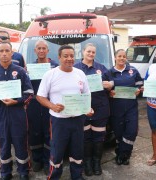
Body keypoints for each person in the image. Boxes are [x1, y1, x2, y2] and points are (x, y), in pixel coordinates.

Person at [36, 45, 92, 180]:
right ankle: (54, 176)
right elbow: (40, 96)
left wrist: (88, 109)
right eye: (65, 56)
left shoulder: (80, 73)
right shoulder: (51, 74)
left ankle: (77, 176)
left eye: (72, 56)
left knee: (77, 150)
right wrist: (52, 106)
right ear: (59, 57)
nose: (69, 59)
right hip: (58, 120)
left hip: (78, 119)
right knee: (57, 151)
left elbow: (86, 95)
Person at [0, 42, 34, 180]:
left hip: (17, 113)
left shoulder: (21, 71)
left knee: (20, 142)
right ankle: (6, 172)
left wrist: (16, 101)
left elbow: (29, 93)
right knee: (3, 143)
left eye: (7, 51)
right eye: (2, 51)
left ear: (12, 53)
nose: (4, 53)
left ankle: (23, 171)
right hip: (0, 113)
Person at [74, 43, 111, 176]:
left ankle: (97, 163)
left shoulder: (101, 68)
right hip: (82, 108)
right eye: (88, 51)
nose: (90, 54)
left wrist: (109, 85)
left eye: (93, 52)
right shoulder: (75, 68)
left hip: (100, 108)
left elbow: (111, 84)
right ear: (83, 52)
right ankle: (87, 164)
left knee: (99, 137)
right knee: (85, 138)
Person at [103, 49, 143, 165]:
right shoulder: (108, 72)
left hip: (131, 107)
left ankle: (124, 153)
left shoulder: (133, 71)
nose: (122, 58)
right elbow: (103, 89)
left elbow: (140, 85)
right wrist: (109, 91)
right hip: (116, 108)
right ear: (115, 57)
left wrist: (138, 91)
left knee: (131, 132)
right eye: (119, 56)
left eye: (124, 56)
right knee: (119, 132)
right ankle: (122, 154)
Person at [26, 39, 58, 175]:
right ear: (35, 51)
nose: (41, 51)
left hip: (49, 103)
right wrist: (26, 73)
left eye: (43, 48)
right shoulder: (30, 67)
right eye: (38, 48)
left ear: (48, 50)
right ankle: (37, 160)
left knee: (48, 133)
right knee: (34, 132)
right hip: (33, 104)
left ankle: (47, 161)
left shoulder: (55, 66)